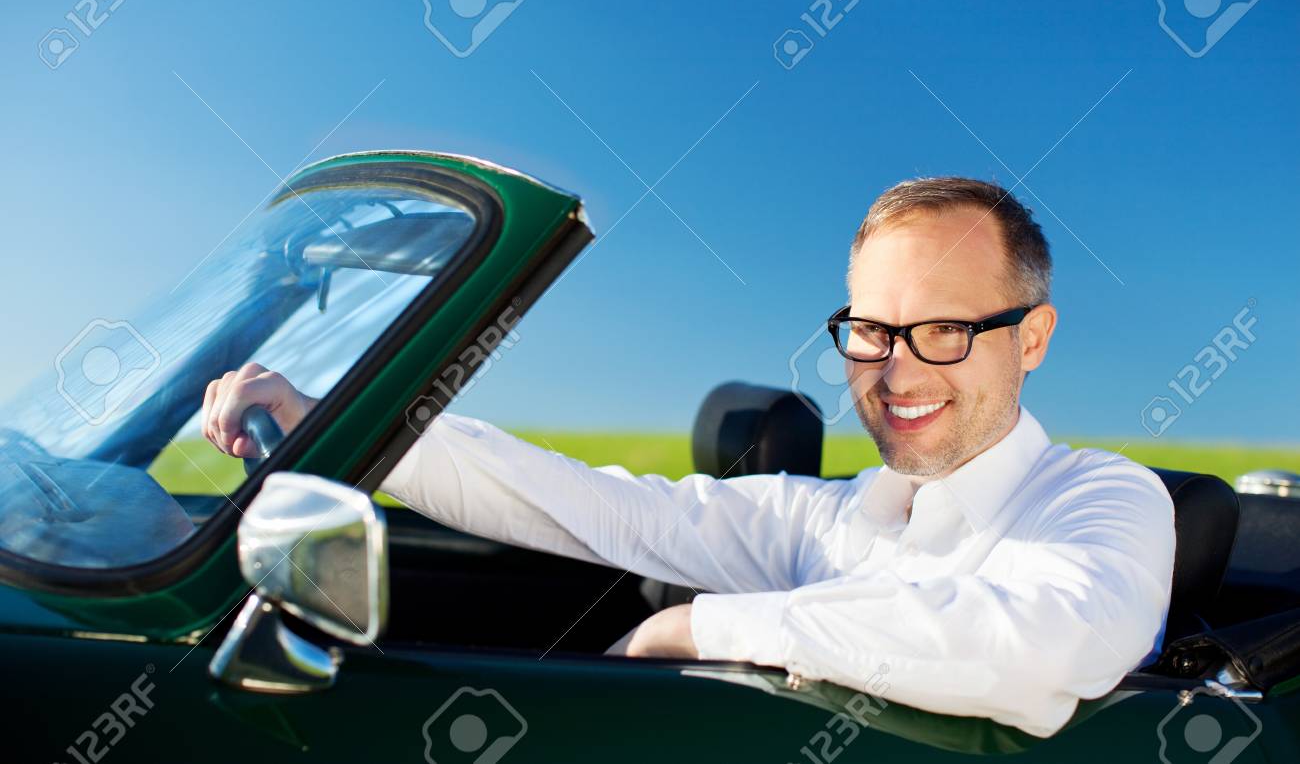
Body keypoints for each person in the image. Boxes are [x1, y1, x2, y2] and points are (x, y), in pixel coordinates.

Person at [200, 177, 1175, 738]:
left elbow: (1037, 638)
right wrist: (355, 418)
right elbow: (608, 509)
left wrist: (698, 628)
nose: (895, 369)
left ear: (1032, 337)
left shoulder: (1101, 499)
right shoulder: (838, 515)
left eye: (944, 331)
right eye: (870, 330)